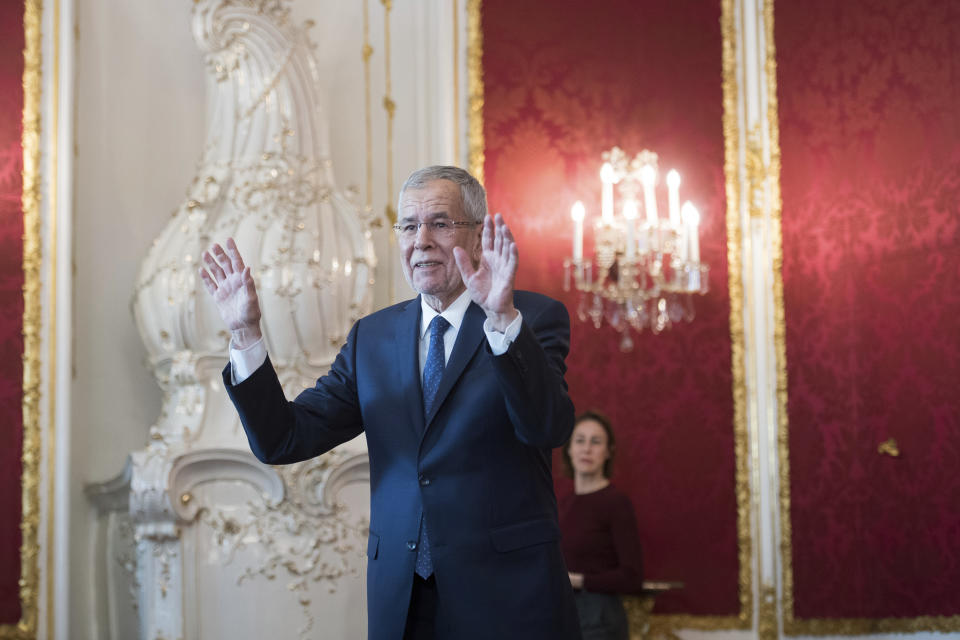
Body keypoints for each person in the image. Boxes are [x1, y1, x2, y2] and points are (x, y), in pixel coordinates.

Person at [198, 165, 582, 640]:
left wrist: (501, 318)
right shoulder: (372, 337)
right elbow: (284, 438)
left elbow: (547, 427)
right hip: (403, 603)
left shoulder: (531, 317)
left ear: (478, 235)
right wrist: (245, 335)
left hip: (508, 599)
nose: (421, 240)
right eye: (407, 226)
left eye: (440, 223)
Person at [559, 411, 644, 640]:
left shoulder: (615, 503)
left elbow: (632, 576)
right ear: (569, 449)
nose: (586, 448)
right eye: (580, 440)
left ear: (608, 452)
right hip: (564, 615)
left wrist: (577, 580)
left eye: (595, 442)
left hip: (600, 620)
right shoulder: (562, 503)